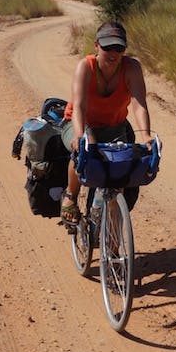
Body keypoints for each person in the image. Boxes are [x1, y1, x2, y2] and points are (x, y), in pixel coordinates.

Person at [60, 20, 152, 223]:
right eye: (107, 47)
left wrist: (146, 136)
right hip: (79, 123)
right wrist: (79, 135)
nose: (113, 53)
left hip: (114, 127)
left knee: (120, 171)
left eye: (118, 48)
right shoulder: (86, 67)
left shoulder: (131, 68)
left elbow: (139, 104)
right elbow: (79, 108)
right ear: (96, 45)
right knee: (84, 148)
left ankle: (112, 239)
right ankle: (70, 195)